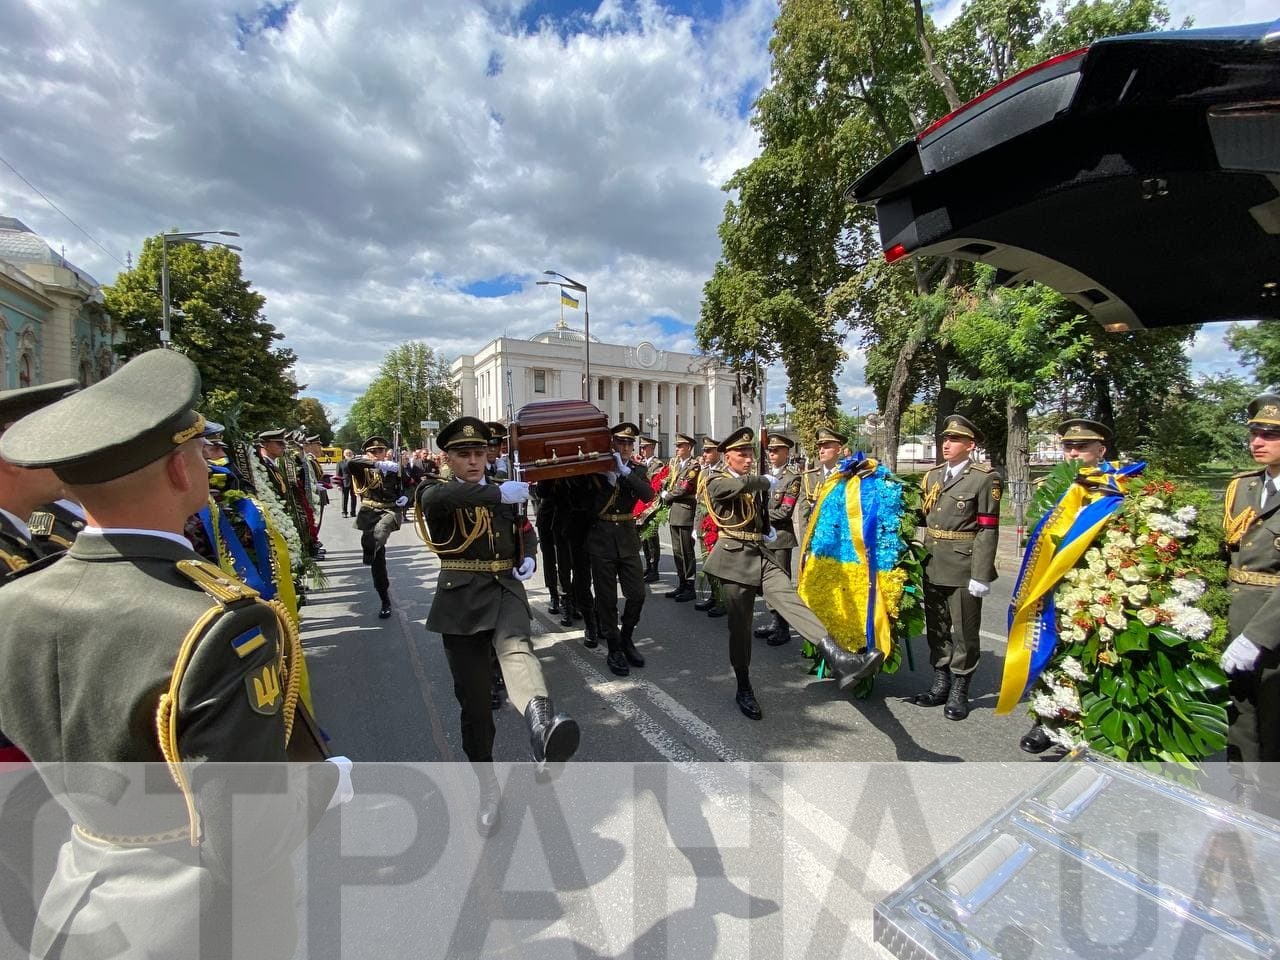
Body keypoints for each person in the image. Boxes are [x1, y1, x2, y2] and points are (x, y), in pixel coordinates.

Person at [0, 349, 349, 960]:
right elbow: (248, 839)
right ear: (180, 472)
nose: (206, 460)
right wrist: (325, 786)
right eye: (196, 448)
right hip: (200, 922)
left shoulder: (16, 599)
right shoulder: (219, 623)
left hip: (76, 898)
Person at [416, 416, 579, 836]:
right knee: (474, 708)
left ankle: (542, 725)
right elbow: (439, 500)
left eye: (479, 453)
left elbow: (524, 529)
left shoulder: (506, 487)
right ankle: (488, 789)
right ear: (447, 457)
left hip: (504, 586)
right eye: (463, 454)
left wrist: (529, 553)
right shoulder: (436, 490)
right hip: (460, 597)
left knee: (517, 648)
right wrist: (496, 492)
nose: (473, 461)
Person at [703, 428, 883, 720]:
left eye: (750, 453)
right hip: (733, 560)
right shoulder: (716, 479)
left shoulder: (753, 482)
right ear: (727, 457)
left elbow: (757, 513)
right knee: (740, 630)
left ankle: (839, 657)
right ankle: (744, 684)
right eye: (741, 454)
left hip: (761, 554)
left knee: (791, 600)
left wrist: (765, 529)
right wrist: (762, 481)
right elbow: (724, 492)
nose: (748, 459)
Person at [1020, 418, 1111, 754]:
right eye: (1068, 447)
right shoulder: (1053, 487)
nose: (1073, 452)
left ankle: (1087, 725)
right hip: (1053, 582)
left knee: (1090, 657)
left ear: (1100, 450)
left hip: (1095, 584)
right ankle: (1047, 721)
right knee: (1051, 651)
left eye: (1082, 447)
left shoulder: (1114, 489)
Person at [910, 414, 1001, 721]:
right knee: (936, 626)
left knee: (964, 630)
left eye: (954, 440)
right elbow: (923, 516)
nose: (946, 444)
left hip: (963, 565)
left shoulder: (984, 478)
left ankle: (960, 688)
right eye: (945, 439)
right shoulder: (934, 476)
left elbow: (988, 528)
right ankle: (940, 681)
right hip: (933, 561)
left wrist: (981, 573)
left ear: (970, 445)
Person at [1219, 392, 1280, 818]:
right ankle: (1242, 792)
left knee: (1274, 719)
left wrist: (1259, 636)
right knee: (1239, 712)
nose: (1258, 441)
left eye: (1271, 434)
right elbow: (1226, 555)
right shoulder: (1244, 486)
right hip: (1237, 617)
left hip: (1272, 627)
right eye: (1256, 432)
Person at [587, 423, 656, 676]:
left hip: (627, 537)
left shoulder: (636, 469)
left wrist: (625, 473)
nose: (626, 447)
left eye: (630, 443)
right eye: (621, 442)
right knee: (606, 599)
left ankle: (626, 637)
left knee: (637, 594)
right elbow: (586, 505)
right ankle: (614, 647)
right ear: (612, 443)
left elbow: (648, 495)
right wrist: (607, 478)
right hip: (601, 538)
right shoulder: (597, 469)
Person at [348, 436, 406, 619]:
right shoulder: (363, 469)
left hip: (389, 511)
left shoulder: (395, 468)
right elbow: (351, 463)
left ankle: (371, 545)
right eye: (372, 452)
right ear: (366, 453)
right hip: (369, 511)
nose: (377, 454)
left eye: (380, 451)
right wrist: (377, 465)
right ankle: (384, 600)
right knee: (378, 563)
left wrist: (406, 498)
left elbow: (410, 486)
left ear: (386, 451)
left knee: (379, 534)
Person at [753, 432, 802, 645]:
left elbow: (784, 512)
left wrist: (758, 516)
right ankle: (775, 620)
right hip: (763, 538)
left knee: (781, 584)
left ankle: (783, 627)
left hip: (781, 538)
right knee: (765, 583)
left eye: (776, 450)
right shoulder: (762, 475)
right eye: (769, 450)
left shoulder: (792, 478)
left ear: (786, 452)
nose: (771, 454)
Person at [661, 432, 700, 601]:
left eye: (680, 446)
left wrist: (666, 496)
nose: (676, 448)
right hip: (675, 513)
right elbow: (671, 483)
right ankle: (682, 583)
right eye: (676, 446)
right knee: (677, 552)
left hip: (685, 513)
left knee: (686, 552)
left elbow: (684, 488)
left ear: (689, 448)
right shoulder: (676, 464)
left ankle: (690, 587)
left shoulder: (693, 467)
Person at [693, 436, 726, 618]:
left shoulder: (723, 472)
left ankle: (723, 601)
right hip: (703, 525)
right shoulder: (705, 472)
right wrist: (695, 526)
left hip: (717, 526)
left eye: (708, 451)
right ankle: (714, 597)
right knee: (707, 564)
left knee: (718, 566)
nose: (704, 454)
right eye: (704, 451)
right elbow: (699, 501)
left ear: (718, 452)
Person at [796, 426, 846, 543]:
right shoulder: (810, 477)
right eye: (820, 447)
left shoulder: (847, 476)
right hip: (816, 539)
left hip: (841, 540)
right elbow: (804, 513)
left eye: (827, 447)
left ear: (838, 450)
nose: (821, 451)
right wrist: (806, 543)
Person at [637, 436, 663, 582]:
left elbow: (655, 483)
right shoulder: (642, 462)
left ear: (652, 448)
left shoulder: (657, 464)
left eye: (644, 447)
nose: (642, 450)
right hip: (642, 506)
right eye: (641, 447)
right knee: (644, 539)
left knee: (652, 538)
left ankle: (655, 569)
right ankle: (648, 566)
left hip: (652, 507)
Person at [337, 448, 358, 517]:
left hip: (354, 483)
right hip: (344, 482)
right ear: (344, 455)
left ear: (352, 454)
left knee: (354, 498)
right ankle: (344, 512)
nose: (348, 454)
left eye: (350, 453)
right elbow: (338, 474)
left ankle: (353, 512)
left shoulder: (355, 462)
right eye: (347, 453)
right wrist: (338, 485)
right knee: (344, 498)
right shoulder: (340, 463)